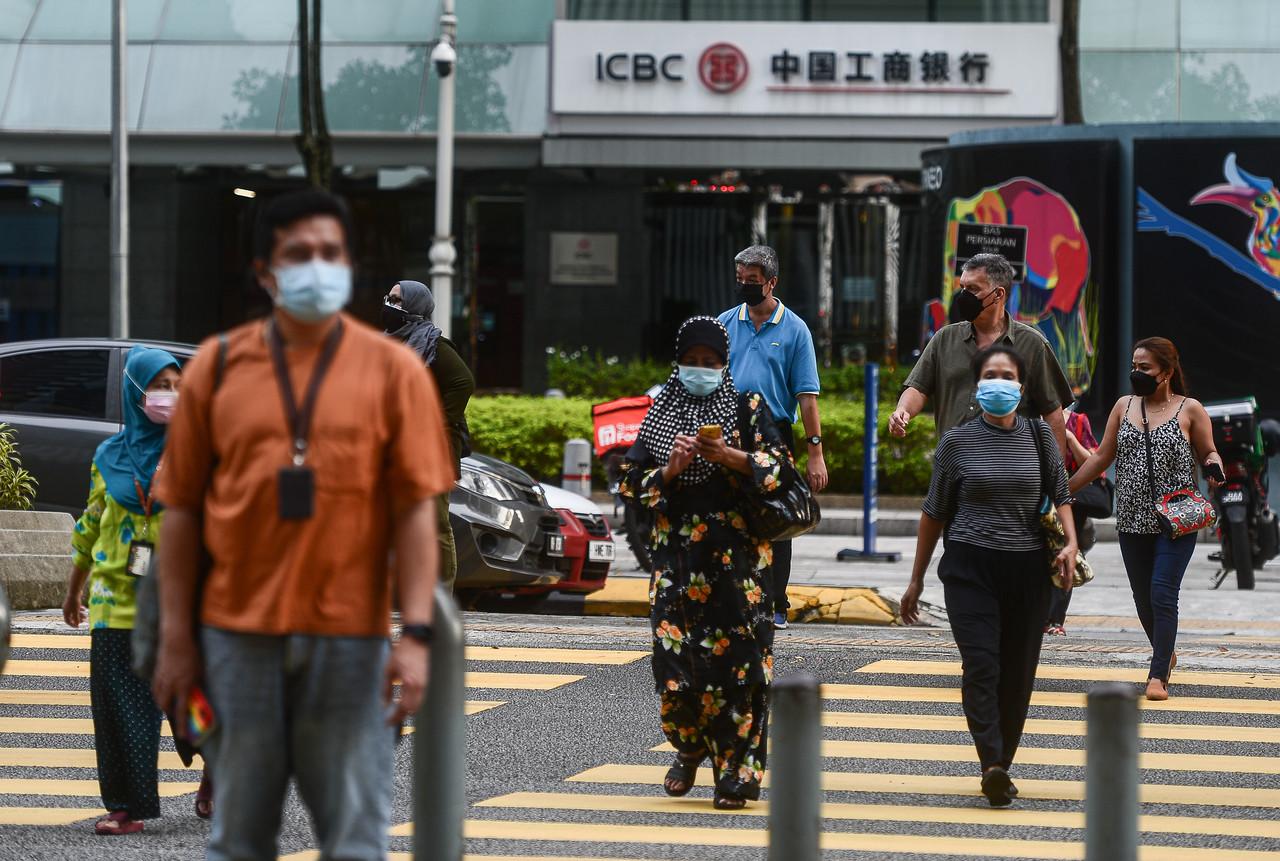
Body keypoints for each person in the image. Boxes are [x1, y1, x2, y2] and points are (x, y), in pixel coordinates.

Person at [151, 188, 455, 860]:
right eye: (298, 254)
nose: (316, 265)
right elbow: (180, 515)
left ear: (349, 265)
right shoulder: (217, 369)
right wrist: (176, 636)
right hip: (238, 643)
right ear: (266, 270)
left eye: (330, 252)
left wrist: (418, 635)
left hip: (353, 646)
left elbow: (413, 513)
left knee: (355, 839)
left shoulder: (394, 373)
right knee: (238, 839)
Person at [622, 316, 792, 810]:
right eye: (692, 363)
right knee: (677, 674)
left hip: (739, 569)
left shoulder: (747, 408)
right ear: (679, 365)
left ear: (724, 365)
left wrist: (734, 458)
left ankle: (736, 774)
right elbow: (630, 483)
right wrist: (669, 470)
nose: (701, 371)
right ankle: (691, 747)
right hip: (677, 567)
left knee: (739, 673)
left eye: (711, 363)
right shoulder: (661, 412)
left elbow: (782, 471)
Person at [899, 345, 1077, 808]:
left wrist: (1071, 544)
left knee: (1018, 674)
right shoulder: (957, 442)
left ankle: (1003, 760)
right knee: (982, 664)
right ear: (978, 386)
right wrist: (916, 580)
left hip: (1028, 570)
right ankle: (992, 764)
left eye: (1008, 374)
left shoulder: (1039, 437)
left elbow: (1061, 496)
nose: (1000, 381)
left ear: (1021, 385)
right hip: (969, 567)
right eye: (990, 374)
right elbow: (933, 513)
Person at [64, 345, 212, 834]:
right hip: (113, 598)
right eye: (158, 386)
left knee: (188, 697)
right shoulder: (108, 456)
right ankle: (127, 807)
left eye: (177, 386)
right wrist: (73, 590)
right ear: (134, 392)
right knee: (119, 707)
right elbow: (89, 525)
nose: (169, 396)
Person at [1067, 337, 1223, 702]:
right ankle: (1165, 651)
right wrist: (1065, 488)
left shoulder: (1190, 409)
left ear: (1167, 372)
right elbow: (1103, 456)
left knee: (1162, 592)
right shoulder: (1124, 406)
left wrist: (1213, 464)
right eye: (1134, 367)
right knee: (1142, 596)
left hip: (1177, 519)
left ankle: (1157, 675)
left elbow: (1208, 450)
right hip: (1133, 518)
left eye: (1145, 368)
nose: (1137, 373)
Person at [718, 245, 827, 630]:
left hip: (774, 435)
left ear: (771, 282)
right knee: (727, 518)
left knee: (776, 522)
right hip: (730, 432)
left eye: (753, 281)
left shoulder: (795, 330)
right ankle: (731, 597)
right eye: (741, 280)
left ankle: (774, 603)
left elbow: (807, 398)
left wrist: (816, 453)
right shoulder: (725, 324)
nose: (745, 287)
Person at [891, 252, 1075, 454]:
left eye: (973, 289)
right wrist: (903, 411)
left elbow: (1052, 412)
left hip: (1013, 469)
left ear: (998, 294)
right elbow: (918, 388)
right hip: (954, 468)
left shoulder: (1032, 344)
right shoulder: (944, 339)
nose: (963, 296)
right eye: (962, 287)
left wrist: (1056, 475)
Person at [383, 279, 475, 591]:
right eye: (389, 298)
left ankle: (441, 593)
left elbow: (463, 382)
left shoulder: (433, 343)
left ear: (415, 306)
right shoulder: (391, 341)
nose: (390, 304)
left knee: (434, 523)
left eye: (397, 300)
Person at [1044, 405, 1100, 635]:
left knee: (1065, 554)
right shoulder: (1023, 416)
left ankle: (1055, 620)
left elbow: (1095, 462)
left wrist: (1068, 438)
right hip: (1035, 501)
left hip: (1071, 503)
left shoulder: (1077, 422)